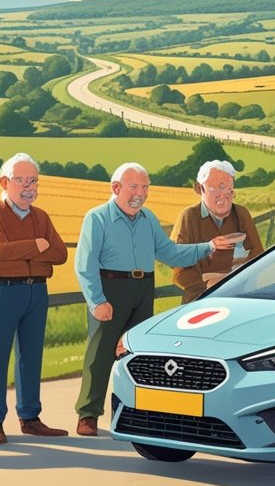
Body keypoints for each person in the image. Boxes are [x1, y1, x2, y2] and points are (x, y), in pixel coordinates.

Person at [74, 162, 236, 436]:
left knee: (139, 354)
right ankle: (88, 414)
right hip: (111, 288)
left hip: (143, 288)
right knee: (100, 354)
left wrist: (209, 246)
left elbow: (170, 253)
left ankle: (138, 411)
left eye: (145, 187)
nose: (141, 193)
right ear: (116, 188)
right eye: (134, 187)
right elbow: (84, 264)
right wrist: (96, 301)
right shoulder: (97, 218)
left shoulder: (148, 218)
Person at [0, 153, 69, 444]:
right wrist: (36, 246)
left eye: (33, 181)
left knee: (31, 356)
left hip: (37, 291)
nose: (28, 186)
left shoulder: (41, 216)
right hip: (4, 291)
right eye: (21, 180)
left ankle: (30, 417)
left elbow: (60, 254)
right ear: (4, 182)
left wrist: (27, 252)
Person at [172, 160, 265, 303]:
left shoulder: (241, 213)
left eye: (228, 189)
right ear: (200, 188)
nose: (223, 195)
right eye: (214, 189)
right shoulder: (189, 216)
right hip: (200, 298)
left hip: (239, 294)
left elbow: (257, 253)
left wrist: (231, 279)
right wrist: (209, 285)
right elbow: (180, 266)